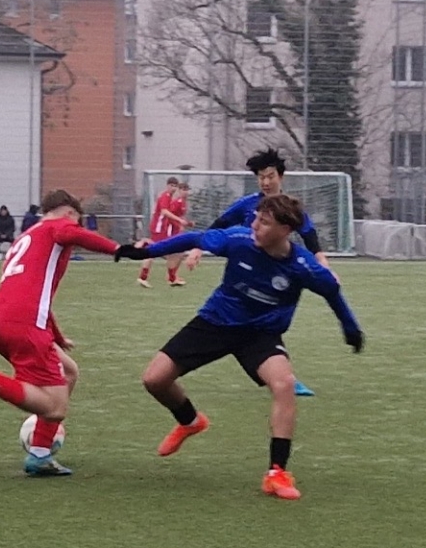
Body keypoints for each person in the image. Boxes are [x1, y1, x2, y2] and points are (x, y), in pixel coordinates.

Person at [124, 194, 364, 501]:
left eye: (264, 222)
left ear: (285, 230)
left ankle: (277, 472)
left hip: (260, 334)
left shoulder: (303, 266)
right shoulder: (238, 240)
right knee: (154, 380)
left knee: (284, 384)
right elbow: (195, 238)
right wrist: (146, 252)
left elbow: (332, 291)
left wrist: (350, 327)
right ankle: (190, 421)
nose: (254, 226)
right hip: (215, 322)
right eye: (256, 219)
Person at [0, 189, 133, 476]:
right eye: (76, 221)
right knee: (55, 408)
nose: (75, 230)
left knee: (69, 371)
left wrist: (57, 336)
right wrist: (119, 249)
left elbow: (33, 292)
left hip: (0, 320)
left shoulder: (28, 236)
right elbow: (71, 234)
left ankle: (40, 456)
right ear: (69, 213)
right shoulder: (59, 226)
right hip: (24, 324)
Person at [192, 149, 325, 396]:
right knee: (252, 323)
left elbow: (309, 234)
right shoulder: (247, 204)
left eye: (270, 176)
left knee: (269, 321)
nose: (265, 182)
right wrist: (198, 248)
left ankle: (281, 376)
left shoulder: (289, 208)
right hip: (244, 275)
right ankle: (279, 375)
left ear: (280, 177)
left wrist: (321, 260)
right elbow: (220, 224)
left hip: (276, 275)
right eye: (261, 177)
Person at [139, 177, 191, 288]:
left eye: (175, 186)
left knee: (163, 252)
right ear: (167, 186)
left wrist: (182, 223)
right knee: (170, 252)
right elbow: (164, 211)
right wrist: (179, 221)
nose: (173, 188)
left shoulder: (170, 197)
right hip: (159, 228)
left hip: (162, 229)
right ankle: (170, 278)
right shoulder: (166, 196)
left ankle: (147, 277)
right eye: (171, 186)